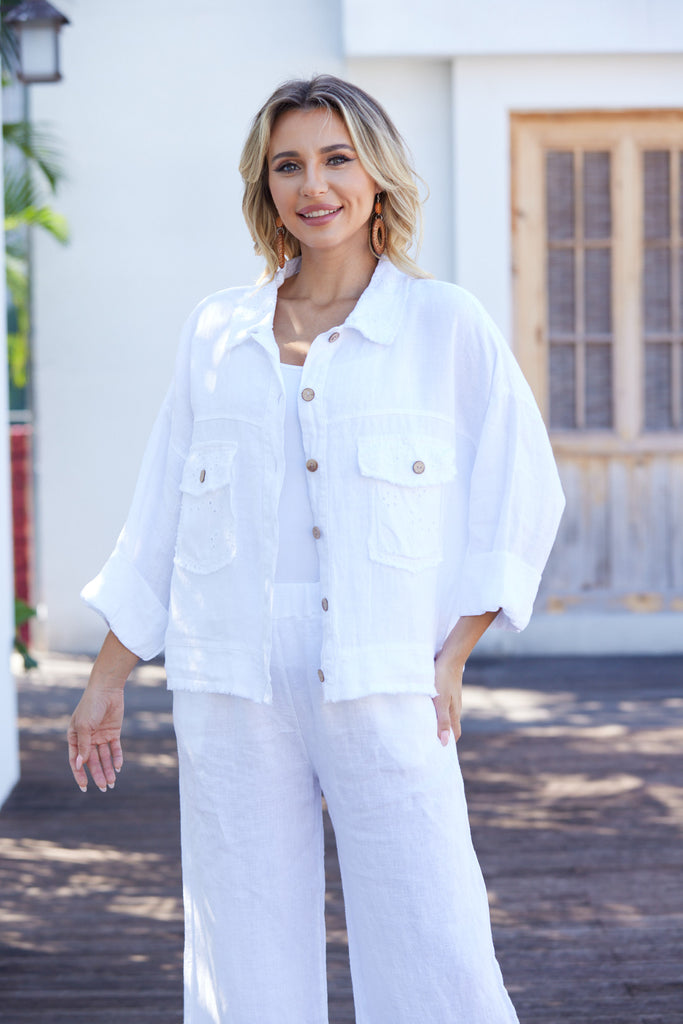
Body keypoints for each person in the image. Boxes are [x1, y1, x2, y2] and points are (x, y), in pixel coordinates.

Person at [68, 74, 565, 1024]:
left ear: (376, 177)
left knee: (431, 935)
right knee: (239, 943)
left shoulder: (443, 324)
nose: (314, 185)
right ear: (265, 187)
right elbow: (162, 512)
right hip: (231, 680)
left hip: (386, 671)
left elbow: (522, 490)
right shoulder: (216, 333)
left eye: (337, 159)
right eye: (288, 165)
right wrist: (106, 678)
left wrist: (452, 653)